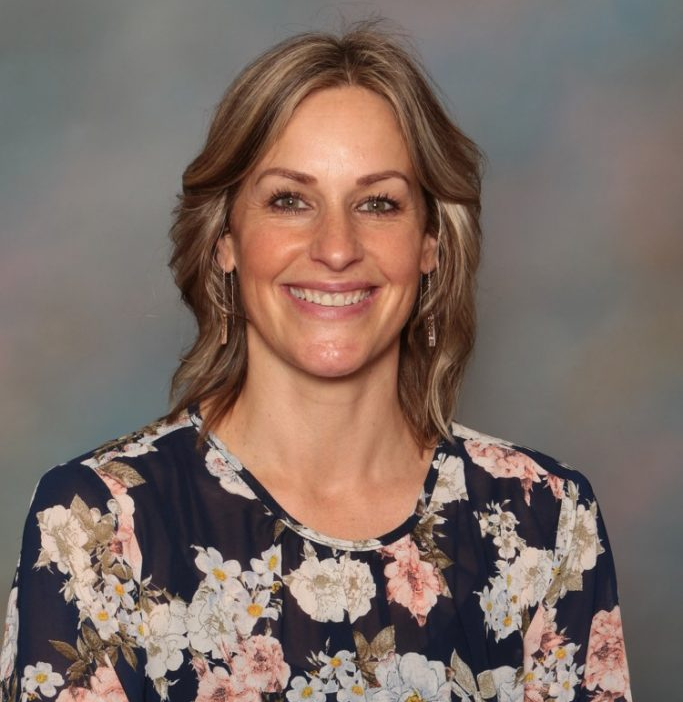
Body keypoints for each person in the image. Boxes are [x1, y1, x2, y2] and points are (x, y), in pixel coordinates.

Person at [0, 23, 631, 702]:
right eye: (289, 200)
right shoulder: (97, 523)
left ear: (430, 245)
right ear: (224, 239)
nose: (336, 247)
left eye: (378, 203)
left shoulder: (543, 519)